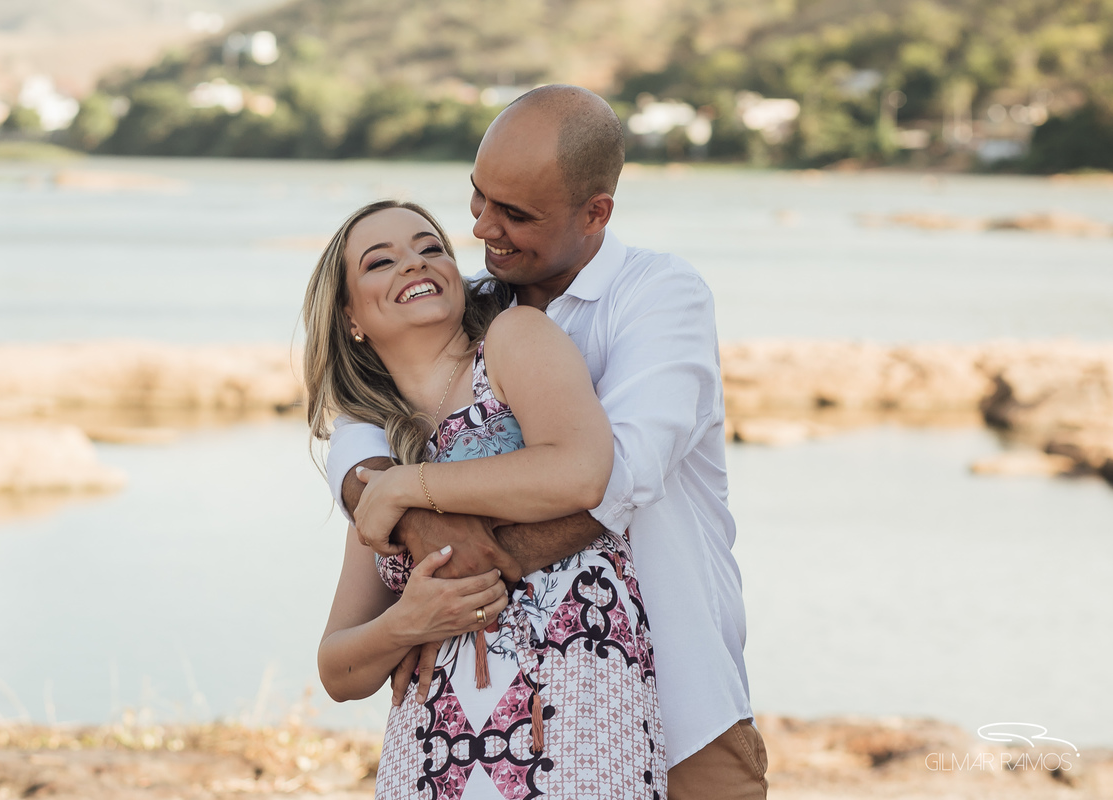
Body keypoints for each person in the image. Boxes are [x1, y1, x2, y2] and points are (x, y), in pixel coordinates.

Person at [326, 86, 768, 799]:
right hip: (490, 730)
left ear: (595, 213)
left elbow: (615, 479)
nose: (482, 229)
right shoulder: (465, 304)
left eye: (515, 215)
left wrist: (467, 568)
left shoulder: (659, 296)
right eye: (477, 198)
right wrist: (406, 513)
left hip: (681, 708)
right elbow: (357, 425)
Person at [306, 199, 666, 799]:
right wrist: (406, 622)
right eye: (380, 261)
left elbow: (583, 471)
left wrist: (409, 488)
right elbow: (337, 669)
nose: (413, 265)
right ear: (350, 317)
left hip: (571, 707)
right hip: (432, 746)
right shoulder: (378, 452)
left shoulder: (510, 342)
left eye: (430, 248)